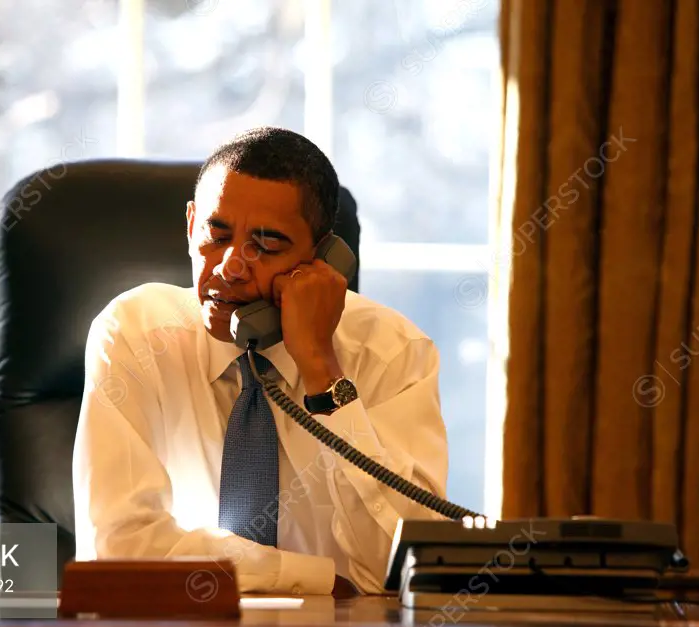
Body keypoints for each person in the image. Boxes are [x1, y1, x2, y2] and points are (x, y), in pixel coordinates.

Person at [72, 126, 448, 596]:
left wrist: (320, 367)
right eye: (216, 234)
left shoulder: (393, 353)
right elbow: (119, 548)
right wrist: (310, 579)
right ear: (190, 226)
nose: (230, 266)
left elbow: (401, 567)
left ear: (322, 260)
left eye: (266, 246)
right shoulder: (134, 335)